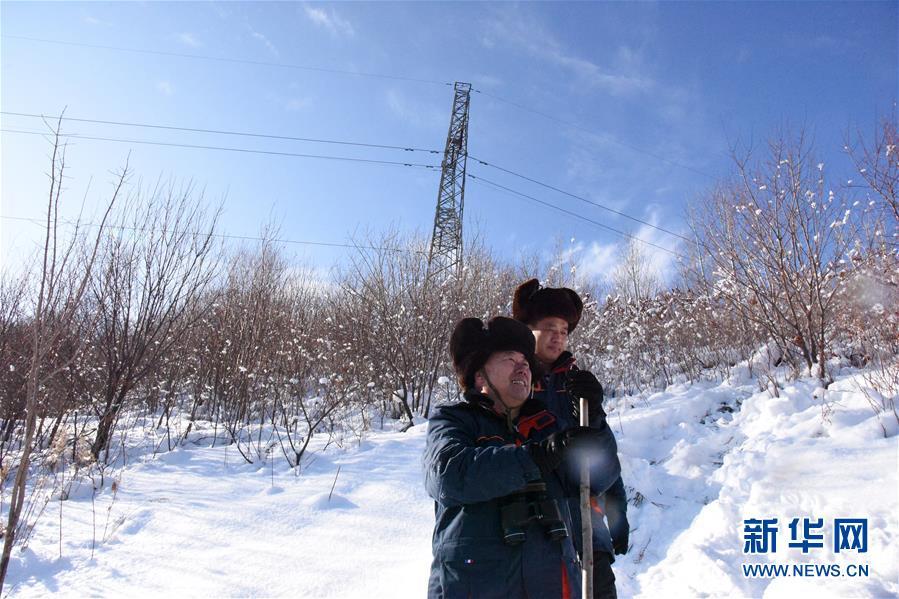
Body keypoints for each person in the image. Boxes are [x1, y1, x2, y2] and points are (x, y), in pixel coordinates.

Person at [424, 316, 621, 599]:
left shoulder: (548, 428)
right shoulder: (453, 421)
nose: (523, 367)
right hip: (473, 586)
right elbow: (447, 475)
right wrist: (534, 458)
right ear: (479, 376)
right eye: (510, 359)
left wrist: (595, 421)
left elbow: (598, 476)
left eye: (526, 362)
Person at [513, 278, 630, 599]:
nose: (558, 337)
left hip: (587, 522)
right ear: (527, 330)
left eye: (564, 330)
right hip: (538, 528)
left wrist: (617, 507)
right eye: (549, 327)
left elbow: (603, 454)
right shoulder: (512, 383)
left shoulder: (579, 384)